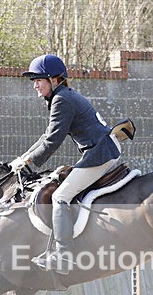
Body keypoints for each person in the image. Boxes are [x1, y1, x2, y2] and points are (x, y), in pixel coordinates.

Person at [9, 54, 122, 274]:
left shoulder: (62, 100)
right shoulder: (62, 96)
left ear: (54, 79)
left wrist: (27, 161)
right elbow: (46, 135)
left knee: (60, 196)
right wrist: (23, 158)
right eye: (34, 81)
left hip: (100, 154)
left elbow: (52, 141)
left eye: (38, 80)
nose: (35, 86)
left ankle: (63, 256)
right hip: (100, 150)